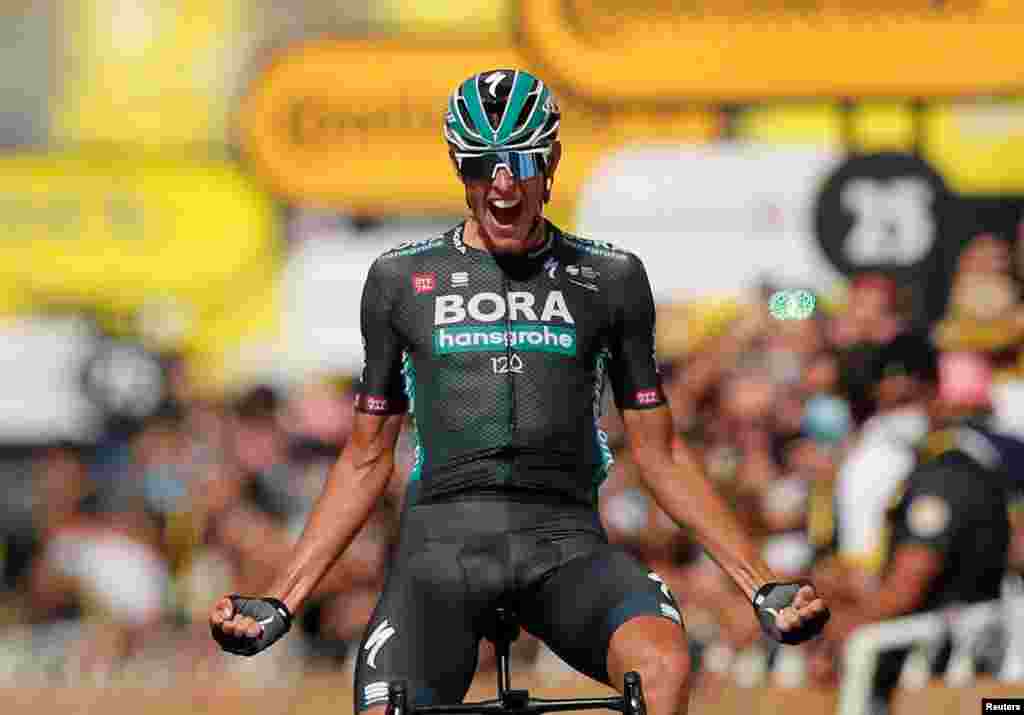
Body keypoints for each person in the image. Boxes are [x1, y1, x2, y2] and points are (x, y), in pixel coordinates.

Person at [209, 69, 829, 715]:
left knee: (666, 665)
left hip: (566, 546)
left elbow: (661, 454)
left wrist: (762, 585)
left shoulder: (610, 278)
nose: (502, 185)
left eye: (521, 161)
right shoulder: (400, 279)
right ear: (457, 164)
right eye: (482, 164)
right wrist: (281, 597)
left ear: (552, 158)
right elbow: (365, 458)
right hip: (439, 553)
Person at [820, 334, 1012, 708]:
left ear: (935, 396)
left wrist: (838, 627)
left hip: (951, 648)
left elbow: (906, 587)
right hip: (931, 638)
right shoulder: (926, 466)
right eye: (886, 404)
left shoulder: (947, 473)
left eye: (905, 400)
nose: (894, 415)